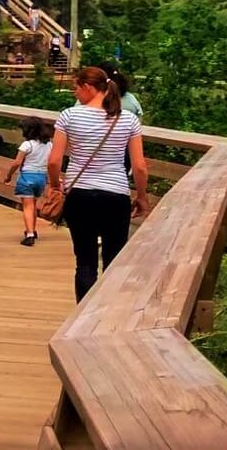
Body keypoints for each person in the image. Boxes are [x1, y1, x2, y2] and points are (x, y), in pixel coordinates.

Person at [48, 66, 149, 301]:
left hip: (79, 195)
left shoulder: (69, 116)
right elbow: (140, 166)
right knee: (114, 261)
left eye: (76, 88)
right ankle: (106, 317)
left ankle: (80, 320)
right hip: (115, 196)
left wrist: (55, 186)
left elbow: (54, 161)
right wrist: (142, 196)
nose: (75, 94)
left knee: (85, 262)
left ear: (88, 87)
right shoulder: (128, 119)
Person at [3, 117, 52, 246]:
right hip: (41, 178)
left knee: (27, 206)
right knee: (34, 205)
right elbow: (51, 162)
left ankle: (29, 234)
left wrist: (9, 175)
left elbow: (17, 163)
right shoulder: (49, 145)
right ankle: (33, 230)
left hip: (27, 177)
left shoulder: (27, 145)